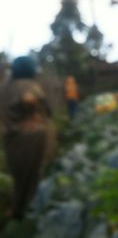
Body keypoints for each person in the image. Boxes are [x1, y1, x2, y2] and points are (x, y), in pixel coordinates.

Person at [0, 56, 57, 219]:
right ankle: (31, 215)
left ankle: (18, 210)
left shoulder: (5, 86)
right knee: (34, 178)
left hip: (12, 141)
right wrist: (36, 111)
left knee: (20, 179)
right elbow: (28, 98)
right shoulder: (26, 85)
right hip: (31, 140)